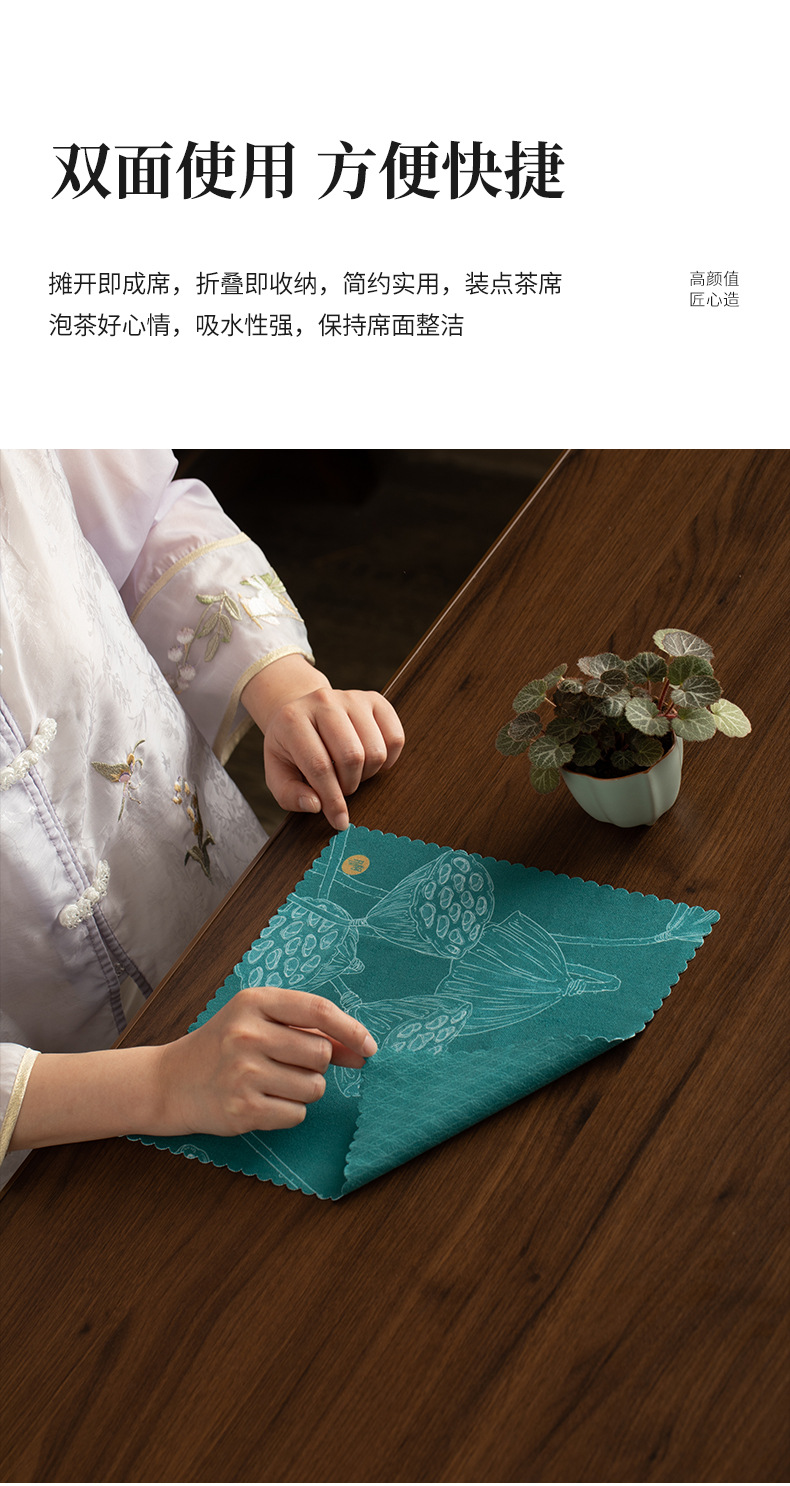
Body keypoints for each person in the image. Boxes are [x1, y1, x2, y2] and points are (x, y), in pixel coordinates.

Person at [0, 449, 404, 1182]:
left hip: (211, 894)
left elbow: (141, 518)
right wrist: (161, 1084)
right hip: (50, 1149)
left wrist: (282, 684)